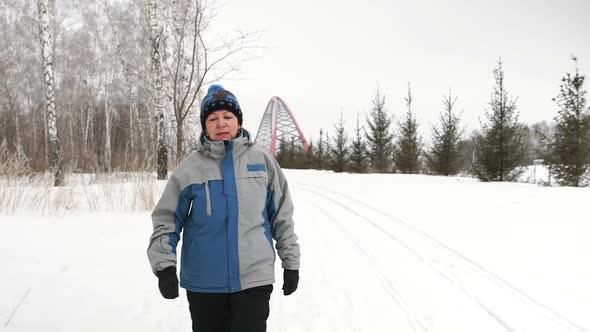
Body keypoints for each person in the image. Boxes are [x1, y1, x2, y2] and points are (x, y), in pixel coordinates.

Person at [147, 84, 301, 332]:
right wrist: (164, 266)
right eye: (213, 118)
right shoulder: (189, 169)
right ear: (205, 125)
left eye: (228, 117)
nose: (221, 123)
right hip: (204, 284)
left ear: (238, 121)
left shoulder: (262, 162)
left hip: (253, 281)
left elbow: (282, 217)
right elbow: (167, 220)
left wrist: (291, 262)